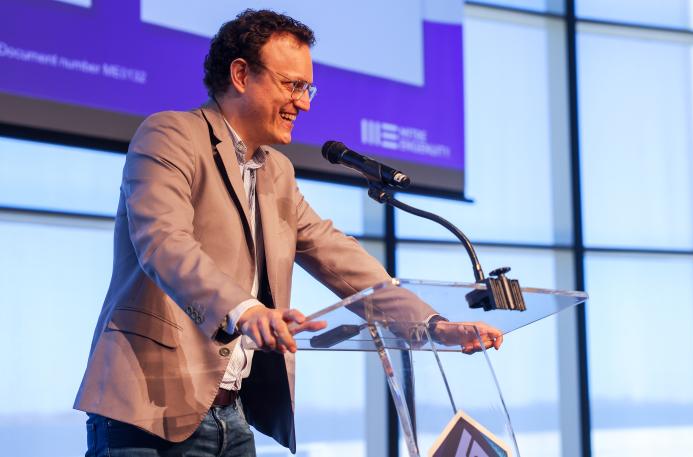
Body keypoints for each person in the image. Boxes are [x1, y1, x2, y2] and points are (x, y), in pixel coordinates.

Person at [75, 9, 502, 456]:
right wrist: (246, 310)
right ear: (241, 75)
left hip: (231, 414)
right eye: (293, 85)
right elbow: (164, 243)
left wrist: (433, 325)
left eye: (307, 88)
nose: (304, 103)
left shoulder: (276, 171)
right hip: (148, 410)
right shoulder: (170, 135)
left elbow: (338, 257)